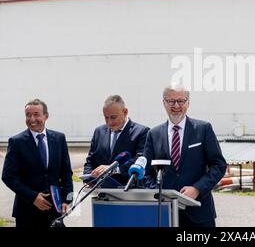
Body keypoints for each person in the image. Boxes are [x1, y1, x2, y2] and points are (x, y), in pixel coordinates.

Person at [144, 85, 227, 227]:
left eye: (181, 101)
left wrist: (198, 188)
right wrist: (158, 193)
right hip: (164, 212)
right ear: (164, 102)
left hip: (199, 212)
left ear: (188, 102)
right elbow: (146, 173)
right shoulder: (154, 134)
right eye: (171, 101)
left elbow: (219, 166)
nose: (176, 105)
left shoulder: (203, 129)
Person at [2, 99, 73, 227]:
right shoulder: (16, 142)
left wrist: (67, 199)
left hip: (54, 210)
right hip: (27, 211)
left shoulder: (59, 138)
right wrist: (33, 197)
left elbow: (66, 172)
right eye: (28, 115)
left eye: (36, 114)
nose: (32, 118)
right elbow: (8, 176)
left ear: (46, 116)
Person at [83, 95, 149, 187]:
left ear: (125, 112)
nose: (109, 122)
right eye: (106, 117)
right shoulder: (99, 132)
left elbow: (140, 160)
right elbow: (90, 160)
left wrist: (112, 169)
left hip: (129, 190)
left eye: (113, 117)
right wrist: (88, 178)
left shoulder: (142, 132)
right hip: (101, 192)